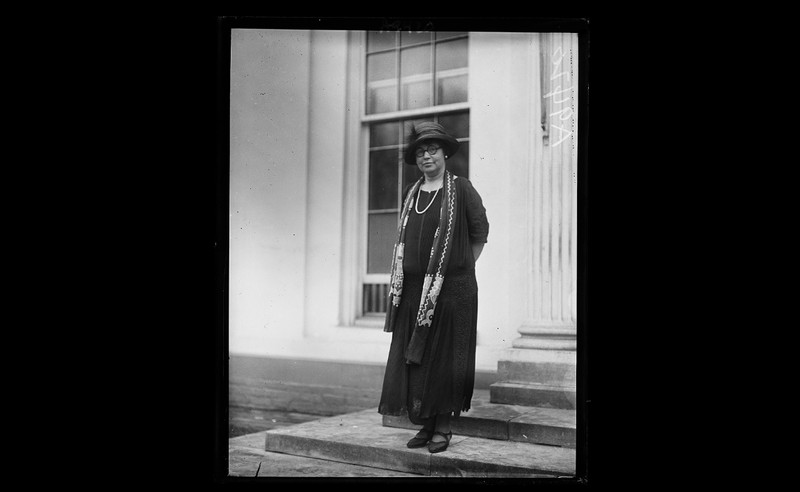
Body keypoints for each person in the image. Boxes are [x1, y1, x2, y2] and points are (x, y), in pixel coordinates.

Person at [378, 121, 489, 454]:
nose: (427, 156)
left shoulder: (462, 189)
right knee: (417, 358)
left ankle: (443, 426)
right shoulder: (412, 194)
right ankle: (426, 424)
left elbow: (479, 234)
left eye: (433, 149)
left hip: (453, 291)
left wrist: (455, 268)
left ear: (444, 153)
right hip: (413, 291)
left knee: (443, 359)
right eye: (421, 151)